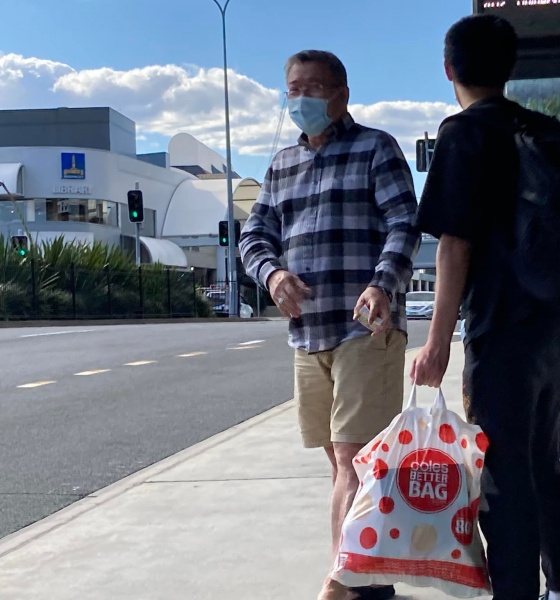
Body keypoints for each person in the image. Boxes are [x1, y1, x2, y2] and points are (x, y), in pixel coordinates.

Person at [410, 15, 560, 600]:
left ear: (448, 70)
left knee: (504, 474)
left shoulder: (463, 133)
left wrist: (437, 341)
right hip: (558, 321)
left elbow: (454, 245)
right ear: (511, 67)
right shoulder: (542, 129)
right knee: (542, 456)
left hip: (503, 325)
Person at [239, 50, 419, 600]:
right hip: (307, 334)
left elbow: (404, 222)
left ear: (341, 94)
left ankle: (340, 582)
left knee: (352, 459)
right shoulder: (281, 165)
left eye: (314, 87)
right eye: (293, 88)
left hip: (366, 328)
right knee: (343, 465)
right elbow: (254, 235)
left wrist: (382, 282)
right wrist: (272, 275)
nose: (302, 98)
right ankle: (372, 582)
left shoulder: (375, 149)